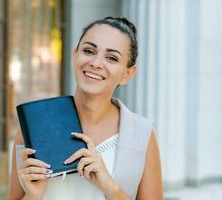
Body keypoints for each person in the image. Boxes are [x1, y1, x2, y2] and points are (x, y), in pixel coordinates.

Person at [9, 17, 163, 200]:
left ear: (127, 74)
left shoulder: (142, 134)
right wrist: (33, 196)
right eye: (89, 51)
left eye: (111, 58)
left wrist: (110, 187)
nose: (96, 63)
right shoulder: (35, 125)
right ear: (75, 56)